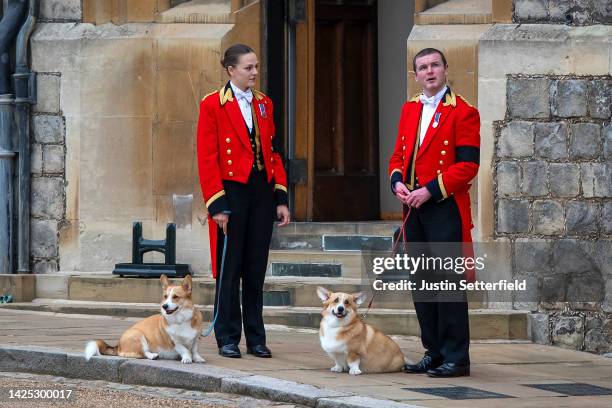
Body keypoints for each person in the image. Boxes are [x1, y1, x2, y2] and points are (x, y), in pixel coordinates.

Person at [388, 48, 480, 377]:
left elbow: (469, 165)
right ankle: (434, 351)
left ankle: (457, 357)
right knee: (423, 282)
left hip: (443, 207)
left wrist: (429, 190)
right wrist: (398, 183)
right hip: (414, 208)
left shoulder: (464, 111)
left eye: (434, 66)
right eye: (423, 67)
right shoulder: (410, 108)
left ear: (444, 69)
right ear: (415, 75)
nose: (429, 72)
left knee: (448, 284)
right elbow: (399, 154)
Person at [196, 44, 290, 359]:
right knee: (229, 267)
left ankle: (256, 337)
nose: (255, 72)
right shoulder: (212, 104)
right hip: (230, 193)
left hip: (261, 192)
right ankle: (226, 336)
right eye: (249, 67)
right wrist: (216, 205)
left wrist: (280, 197)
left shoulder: (264, 104)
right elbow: (207, 158)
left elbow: (274, 153)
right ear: (231, 70)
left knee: (254, 268)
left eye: (256, 66)